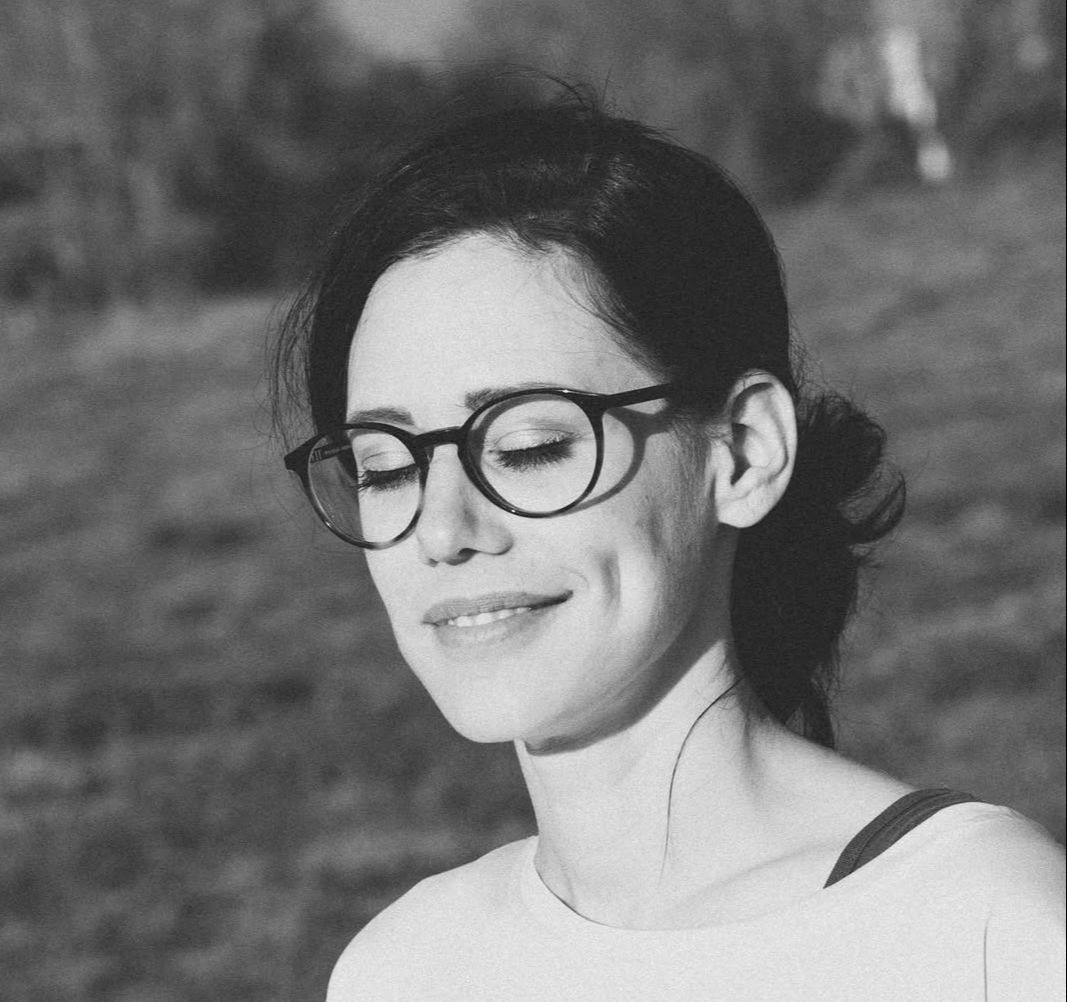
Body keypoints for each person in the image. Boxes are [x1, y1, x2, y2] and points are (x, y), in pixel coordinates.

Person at [273, 94, 1064, 1000]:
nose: (444, 531)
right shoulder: (403, 969)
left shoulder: (980, 933)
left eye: (530, 447)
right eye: (385, 466)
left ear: (743, 451)